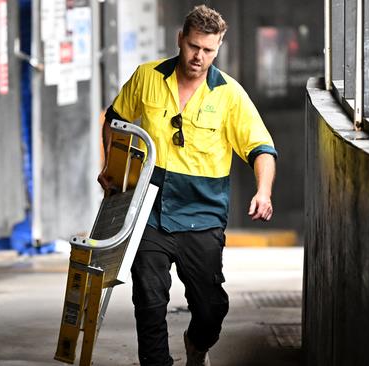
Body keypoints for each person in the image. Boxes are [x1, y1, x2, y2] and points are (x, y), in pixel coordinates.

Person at [98, 5, 277, 366]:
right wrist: (111, 165)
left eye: (209, 50)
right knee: (149, 300)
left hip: (203, 214)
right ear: (180, 39)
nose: (199, 57)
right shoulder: (147, 77)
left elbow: (262, 148)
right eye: (194, 46)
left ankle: (197, 344)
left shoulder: (230, 95)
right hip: (148, 209)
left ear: (219, 47)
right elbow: (115, 120)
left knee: (210, 308)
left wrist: (264, 191)